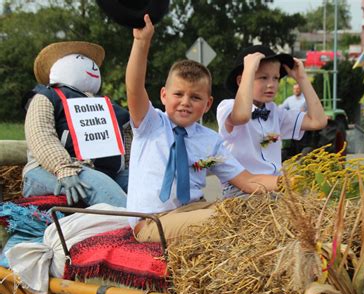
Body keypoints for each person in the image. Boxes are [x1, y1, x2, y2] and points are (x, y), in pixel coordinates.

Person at [126, 15, 279, 244]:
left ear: (207, 104)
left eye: (195, 97)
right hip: (152, 221)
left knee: (252, 212)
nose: (185, 102)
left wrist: (291, 182)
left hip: (194, 210)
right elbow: (134, 87)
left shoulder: (210, 140)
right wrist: (141, 42)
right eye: (178, 94)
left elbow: (248, 181)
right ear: (163, 96)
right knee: (221, 220)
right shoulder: (151, 124)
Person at [22, 41, 130, 207]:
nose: (93, 68)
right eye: (80, 59)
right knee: (101, 187)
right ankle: (141, 229)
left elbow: (126, 135)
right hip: (48, 170)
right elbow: (41, 135)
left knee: (142, 182)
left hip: (104, 171)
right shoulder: (46, 97)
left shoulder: (105, 104)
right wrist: (64, 168)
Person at [216, 45, 327, 197]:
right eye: (263, 77)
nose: (271, 84)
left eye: (275, 78)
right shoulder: (228, 106)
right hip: (240, 191)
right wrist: (248, 69)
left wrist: (301, 78)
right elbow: (242, 116)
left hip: (275, 186)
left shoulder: (276, 113)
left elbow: (318, 121)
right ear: (241, 80)